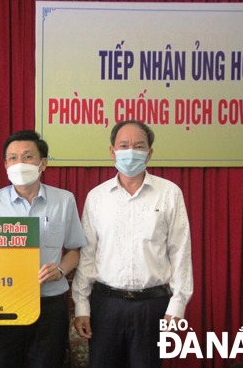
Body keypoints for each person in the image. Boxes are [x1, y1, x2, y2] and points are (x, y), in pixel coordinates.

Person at [72, 120, 194, 368]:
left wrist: (177, 305)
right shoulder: (96, 197)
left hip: (152, 306)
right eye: (124, 145)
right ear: (112, 151)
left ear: (149, 153)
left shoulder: (169, 193)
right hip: (106, 306)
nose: (131, 151)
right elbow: (87, 255)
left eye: (139, 146)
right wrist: (82, 305)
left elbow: (180, 252)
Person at [0, 130, 86, 368]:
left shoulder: (64, 200)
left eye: (27, 157)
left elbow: (75, 250)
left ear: (43, 163)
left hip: (49, 303)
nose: (19, 163)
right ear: (5, 164)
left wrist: (59, 269)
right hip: (4, 303)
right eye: (12, 158)